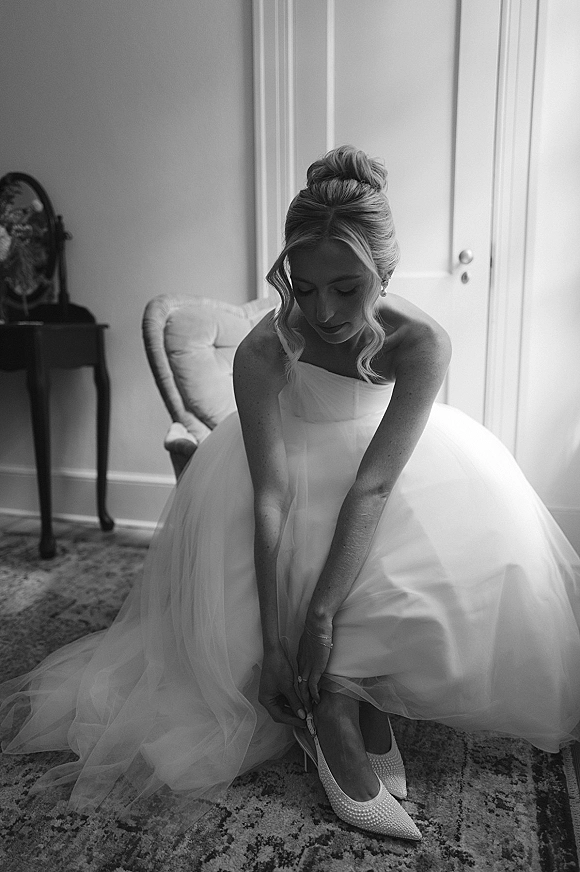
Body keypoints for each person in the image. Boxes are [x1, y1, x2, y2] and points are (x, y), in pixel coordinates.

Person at [2, 146, 580, 841]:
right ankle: (337, 710)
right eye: (303, 287)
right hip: (282, 465)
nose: (324, 310)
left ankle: (351, 695)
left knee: (438, 543)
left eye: (347, 287)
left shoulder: (422, 342)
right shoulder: (266, 348)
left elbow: (372, 485)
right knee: (297, 538)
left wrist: (322, 621)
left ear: (385, 273)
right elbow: (272, 497)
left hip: (379, 464)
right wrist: (279, 642)